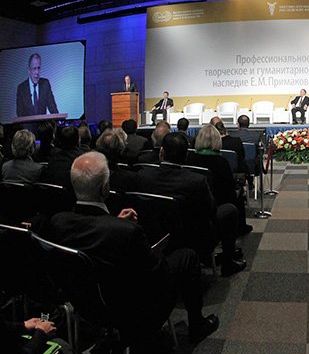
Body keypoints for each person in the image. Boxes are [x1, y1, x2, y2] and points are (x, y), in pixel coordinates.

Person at [37, 151, 219, 347]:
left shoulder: (58, 222)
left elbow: (90, 238)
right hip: (132, 309)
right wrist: (155, 249)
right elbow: (157, 273)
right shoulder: (126, 231)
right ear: (105, 188)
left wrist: (115, 222)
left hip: (84, 305)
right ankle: (197, 325)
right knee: (187, 256)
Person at [134, 132, 247, 277]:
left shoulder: (142, 175)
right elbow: (211, 211)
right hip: (193, 236)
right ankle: (227, 264)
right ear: (186, 155)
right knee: (230, 210)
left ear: (161, 152)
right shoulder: (196, 181)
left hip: (155, 235)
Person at [187, 124, 252, 236]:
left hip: (194, 202)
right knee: (238, 195)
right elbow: (229, 186)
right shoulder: (221, 161)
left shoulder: (189, 158)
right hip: (218, 201)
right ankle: (239, 230)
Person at [16, 53, 59, 118]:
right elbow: (19, 114)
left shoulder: (45, 84)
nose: (37, 72)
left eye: (39, 68)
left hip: (43, 124)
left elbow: (53, 109)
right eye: (34, 68)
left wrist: (59, 121)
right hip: (28, 124)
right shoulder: (21, 88)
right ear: (29, 70)